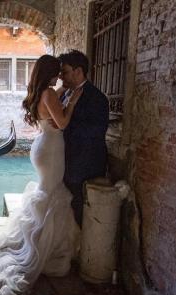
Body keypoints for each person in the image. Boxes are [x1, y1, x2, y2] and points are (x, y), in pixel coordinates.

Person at [0, 55, 82, 295]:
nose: (61, 77)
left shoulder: (41, 91)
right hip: (53, 150)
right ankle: (40, 250)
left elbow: (51, 110)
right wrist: (73, 101)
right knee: (51, 195)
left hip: (43, 146)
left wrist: (65, 90)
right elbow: (63, 122)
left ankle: (42, 244)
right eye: (59, 73)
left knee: (48, 194)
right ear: (51, 73)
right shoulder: (50, 94)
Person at [56, 50, 109, 228]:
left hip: (83, 164)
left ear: (78, 71)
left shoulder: (97, 98)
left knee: (79, 209)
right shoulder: (64, 94)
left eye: (65, 72)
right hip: (64, 162)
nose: (61, 76)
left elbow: (95, 133)